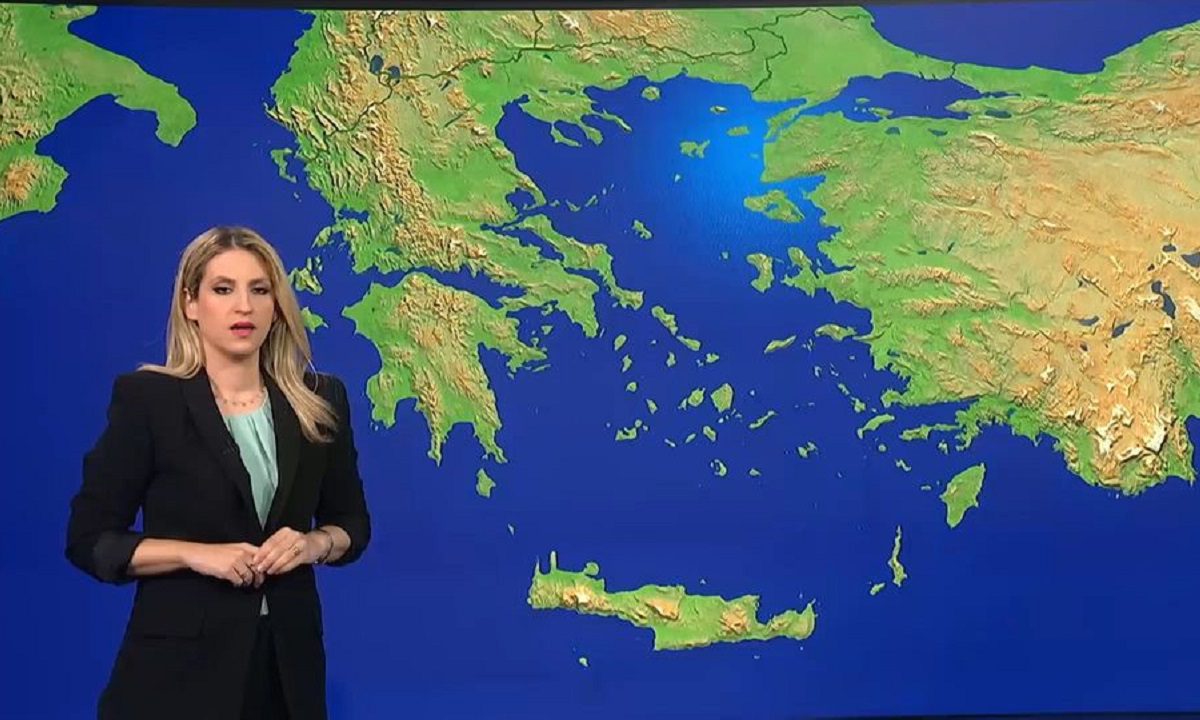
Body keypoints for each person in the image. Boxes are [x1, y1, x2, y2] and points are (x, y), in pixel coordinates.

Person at [65, 225, 370, 720]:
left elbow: (352, 524)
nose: (243, 307)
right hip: (177, 678)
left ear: (277, 305)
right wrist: (196, 555)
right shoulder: (149, 401)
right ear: (191, 303)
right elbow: (90, 540)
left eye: (259, 290)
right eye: (223, 289)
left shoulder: (319, 401)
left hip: (287, 672)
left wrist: (313, 544)